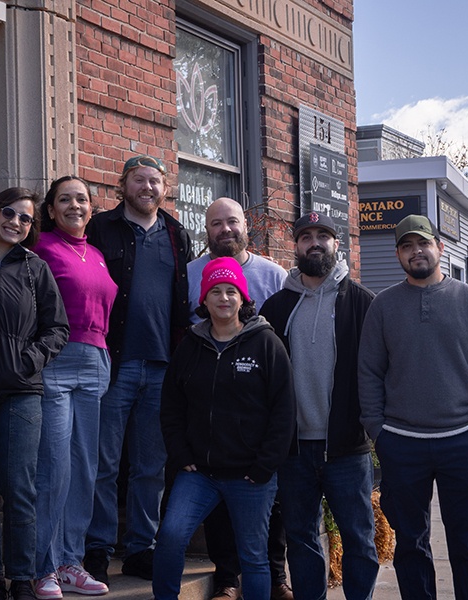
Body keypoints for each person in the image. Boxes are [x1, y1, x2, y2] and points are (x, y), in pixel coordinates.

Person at [358, 214, 468, 600]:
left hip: (462, 442)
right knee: (410, 546)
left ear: (440, 248)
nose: (416, 252)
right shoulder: (383, 307)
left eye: (423, 244)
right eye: (407, 246)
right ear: (398, 254)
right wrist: (379, 431)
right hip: (402, 445)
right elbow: (369, 372)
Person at [153, 257, 296, 600]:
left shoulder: (266, 343)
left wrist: (265, 465)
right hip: (199, 473)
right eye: (215, 291)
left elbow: (284, 410)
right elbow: (171, 405)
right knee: (171, 537)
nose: (223, 298)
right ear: (203, 300)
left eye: (231, 291)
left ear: (243, 299)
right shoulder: (190, 345)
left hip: (250, 475)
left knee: (253, 557)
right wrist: (181, 453)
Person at [82, 155, 193, 584]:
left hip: (163, 367)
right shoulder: (100, 229)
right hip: (114, 363)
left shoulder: (175, 233)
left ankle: (140, 548)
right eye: (138, 180)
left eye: (154, 181)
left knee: (151, 465)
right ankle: (98, 547)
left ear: (163, 189)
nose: (147, 188)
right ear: (122, 185)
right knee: (104, 463)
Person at [260, 212, 379, 600]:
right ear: (295, 246)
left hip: (346, 446)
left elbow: (381, 370)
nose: (314, 243)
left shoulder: (362, 303)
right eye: (306, 236)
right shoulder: (276, 308)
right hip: (294, 449)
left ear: (336, 244)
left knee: (359, 540)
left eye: (323, 236)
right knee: (301, 538)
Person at [0, 188, 70, 600]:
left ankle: (23, 579)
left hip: (22, 393)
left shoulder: (35, 268)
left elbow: (58, 328)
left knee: (19, 488)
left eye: (25, 219)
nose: (16, 222)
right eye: (9, 213)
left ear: (32, 228)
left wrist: (30, 359)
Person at [186, 197, 290, 600]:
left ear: (246, 226)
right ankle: (227, 579)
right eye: (216, 224)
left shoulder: (273, 274)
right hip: (210, 404)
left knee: (270, 495)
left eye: (232, 222)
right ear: (207, 230)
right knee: (220, 498)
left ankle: (276, 577)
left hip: (260, 401)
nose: (225, 230)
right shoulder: (191, 274)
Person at [30, 176, 117, 599]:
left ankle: (70, 561)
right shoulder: (41, 248)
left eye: (81, 199)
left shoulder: (97, 254)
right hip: (58, 363)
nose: (74, 206)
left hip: (96, 361)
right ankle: (42, 565)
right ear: (51, 209)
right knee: (55, 466)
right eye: (64, 199)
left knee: (85, 467)